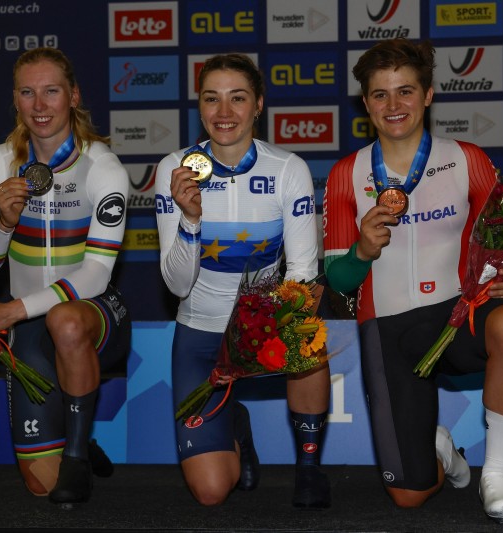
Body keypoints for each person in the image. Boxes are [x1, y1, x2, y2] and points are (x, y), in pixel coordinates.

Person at [322, 38, 503, 523]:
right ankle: (442, 451)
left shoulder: (468, 159)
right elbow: (336, 278)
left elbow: (499, 247)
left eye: (405, 92)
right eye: (380, 95)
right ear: (366, 103)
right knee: (410, 496)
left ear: (429, 95)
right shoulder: (345, 174)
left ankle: (497, 474)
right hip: (390, 331)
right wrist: (362, 251)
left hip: (462, 314)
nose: (393, 105)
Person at [0, 47, 131, 506]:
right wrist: (5, 224)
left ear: (72, 96)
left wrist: (11, 311)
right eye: (28, 93)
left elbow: (95, 273)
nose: (39, 105)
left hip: (94, 316)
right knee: (40, 486)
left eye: (51, 91)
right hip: (30, 324)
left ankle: (75, 453)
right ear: (15, 100)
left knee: (66, 321)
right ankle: (78, 433)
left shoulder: (102, 165)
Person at [155, 53, 331, 508]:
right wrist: (191, 220)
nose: (224, 112)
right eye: (212, 99)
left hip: (267, 322)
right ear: (199, 106)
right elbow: (176, 286)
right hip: (201, 332)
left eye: (237, 98)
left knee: (309, 336)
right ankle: (234, 422)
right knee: (212, 491)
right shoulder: (173, 170)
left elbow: (304, 272)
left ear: (258, 106)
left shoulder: (286, 168)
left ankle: (309, 467)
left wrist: (271, 327)